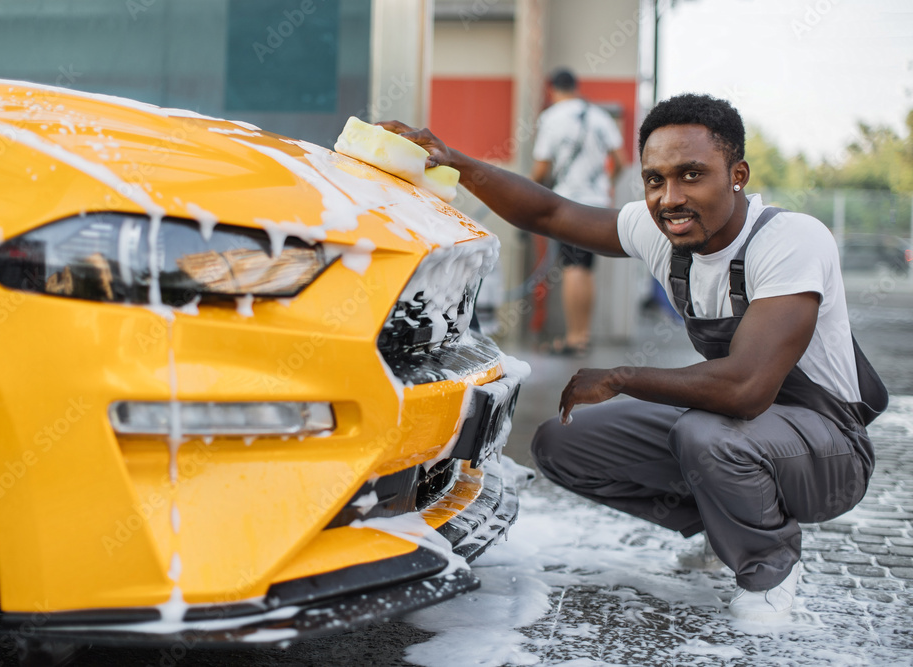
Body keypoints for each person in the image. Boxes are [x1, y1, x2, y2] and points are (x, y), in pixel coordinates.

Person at [380, 93, 888, 622]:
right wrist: (456, 162)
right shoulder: (665, 231)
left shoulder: (789, 240)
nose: (670, 198)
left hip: (829, 451)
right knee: (561, 442)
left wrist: (623, 376)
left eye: (692, 175)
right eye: (655, 180)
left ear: (737, 174)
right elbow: (549, 211)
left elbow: (746, 387)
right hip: (740, 426)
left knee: (705, 435)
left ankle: (769, 567)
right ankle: (729, 528)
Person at [530, 69, 626, 356]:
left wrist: (527, 190)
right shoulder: (599, 116)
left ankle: (574, 339)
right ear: (575, 87)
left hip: (568, 204)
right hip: (596, 204)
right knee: (585, 267)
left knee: (572, 267)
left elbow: (542, 168)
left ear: (552, 90)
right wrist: (607, 185)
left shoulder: (551, 118)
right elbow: (620, 160)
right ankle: (582, 336)